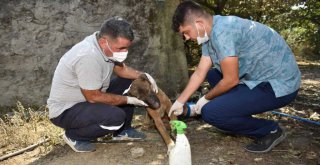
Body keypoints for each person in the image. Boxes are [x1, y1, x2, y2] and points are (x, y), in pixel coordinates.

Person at [168, 1, 301, 153]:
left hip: (280, 85)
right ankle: (231, 114)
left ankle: (269, 130)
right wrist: (180, 101)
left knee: (211, 113)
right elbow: (200, 72)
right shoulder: (209, 33)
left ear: (199, 23)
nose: (185, 38)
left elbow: (231, 80)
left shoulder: (223, 32)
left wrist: (206, 99)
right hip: (258, 78)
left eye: (186, 32)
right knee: (213, 74)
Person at [47, 17, 159, 152]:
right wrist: (129, 100)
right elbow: (93, 97)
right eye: (121, 48)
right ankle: (74, 136)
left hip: (88, 99)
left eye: (127, 48)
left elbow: (122, 70)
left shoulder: (104, 46)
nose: (124, 52)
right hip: (66, 110)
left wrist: (144, 75)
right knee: (116, 117)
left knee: (131, 82)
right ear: (103, 42)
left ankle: (123, 131)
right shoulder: (88, 56)